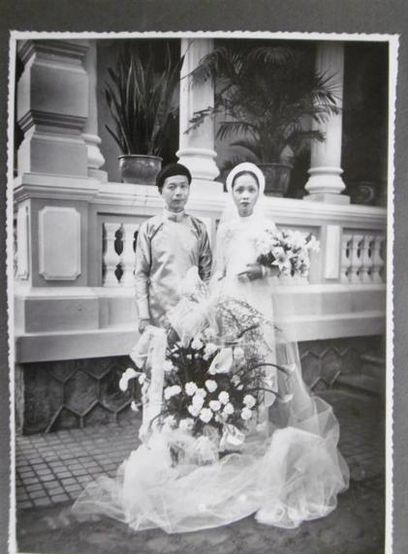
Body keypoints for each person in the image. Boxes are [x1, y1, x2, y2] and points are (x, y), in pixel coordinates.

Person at [72, 163, 349, 534]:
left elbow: (264, 267)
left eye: (251, 189)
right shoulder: (207, 228)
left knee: (252, 370)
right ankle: (168, 446)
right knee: (185, 377)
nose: (245, 195)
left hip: (254, 305)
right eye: (239, 189)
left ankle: (253, 442)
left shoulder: (238, 228)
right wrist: (159, 314)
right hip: (186, 313)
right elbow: (206, 271)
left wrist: (262, 272)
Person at [134, 162, 212, 333]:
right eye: (172, 187)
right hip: (159, 311)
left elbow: (206, 273)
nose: (178, 193)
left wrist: (205, 310)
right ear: (161, 191)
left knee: (191, 357)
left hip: (192, 310)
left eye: (184, 187)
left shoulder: (199, 227)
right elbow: (141, 274)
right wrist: (144, 315)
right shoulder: (149, 228)